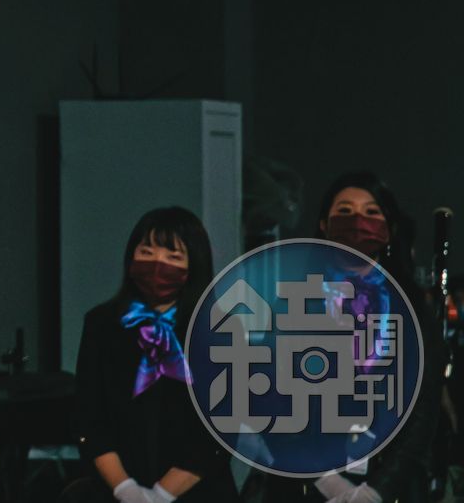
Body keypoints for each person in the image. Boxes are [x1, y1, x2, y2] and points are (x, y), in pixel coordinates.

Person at [257, 172, 443, 503]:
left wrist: (377, 491)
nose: (358, 221)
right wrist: (329, 483)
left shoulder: (411, 306)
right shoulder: (294, 300)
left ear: (389, 229)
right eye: (344, 211)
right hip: (308, 484)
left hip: (387, 483)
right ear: (324, 225)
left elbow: (422, 409)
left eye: (371, 212)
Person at [66, 207, 238, 503]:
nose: (158, 263)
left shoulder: (220, 329)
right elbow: (90, 419)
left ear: (193, 265)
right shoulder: (101, 324)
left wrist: (160, 495)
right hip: (116, 492)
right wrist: (125, 489)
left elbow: (221, 430)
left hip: (199, 493)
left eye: (173, 256)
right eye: (146, 252)